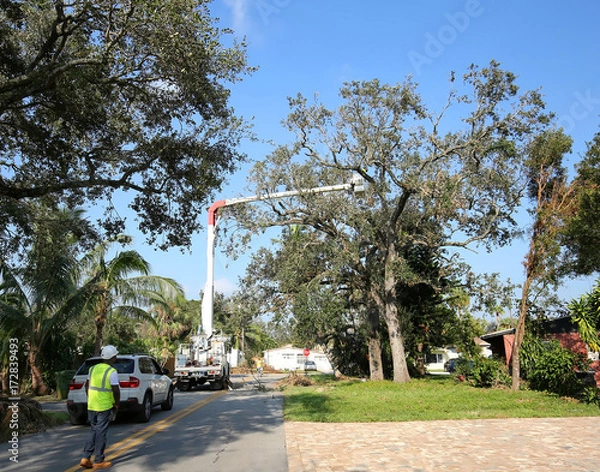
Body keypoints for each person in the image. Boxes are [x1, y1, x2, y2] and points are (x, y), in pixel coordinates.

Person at [79, 345, 120, 469]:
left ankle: (85, 457)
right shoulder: (111, 371)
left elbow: (87, 385)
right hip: (104, 406)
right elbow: (115, 390)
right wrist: (117, 404)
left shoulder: (92, 369)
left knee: (93, 430)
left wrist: (90, 397)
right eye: (115, 356)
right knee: (101, 432)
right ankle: (99, 460)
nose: (116, 357)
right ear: (112, 357)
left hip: (91, 405)